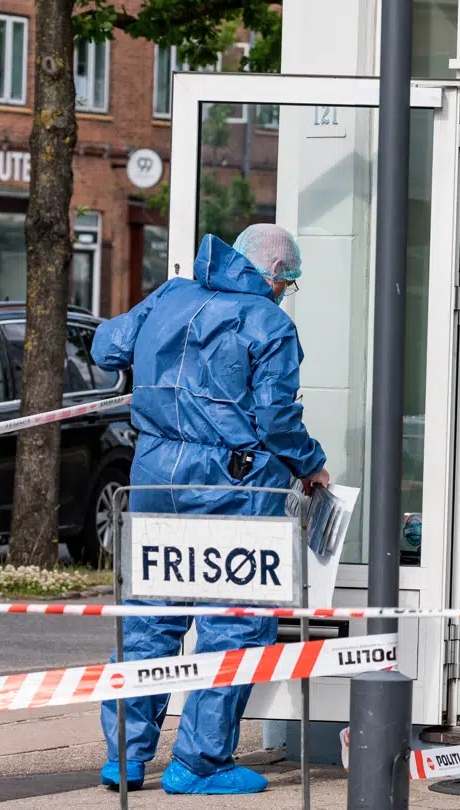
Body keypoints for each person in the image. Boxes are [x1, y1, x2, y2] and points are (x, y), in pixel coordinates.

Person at [90, 224, 329, 796]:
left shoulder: (171, 296)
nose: (284, 294)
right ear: (273, 277)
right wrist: (311, 463)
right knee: (235, 622)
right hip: (232, 489)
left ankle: (124, 758)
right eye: (287, 284)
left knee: (149, 620)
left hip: (153, 483)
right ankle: (199, 763)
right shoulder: (270, 323)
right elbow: (276, 420)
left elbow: (105, 347)